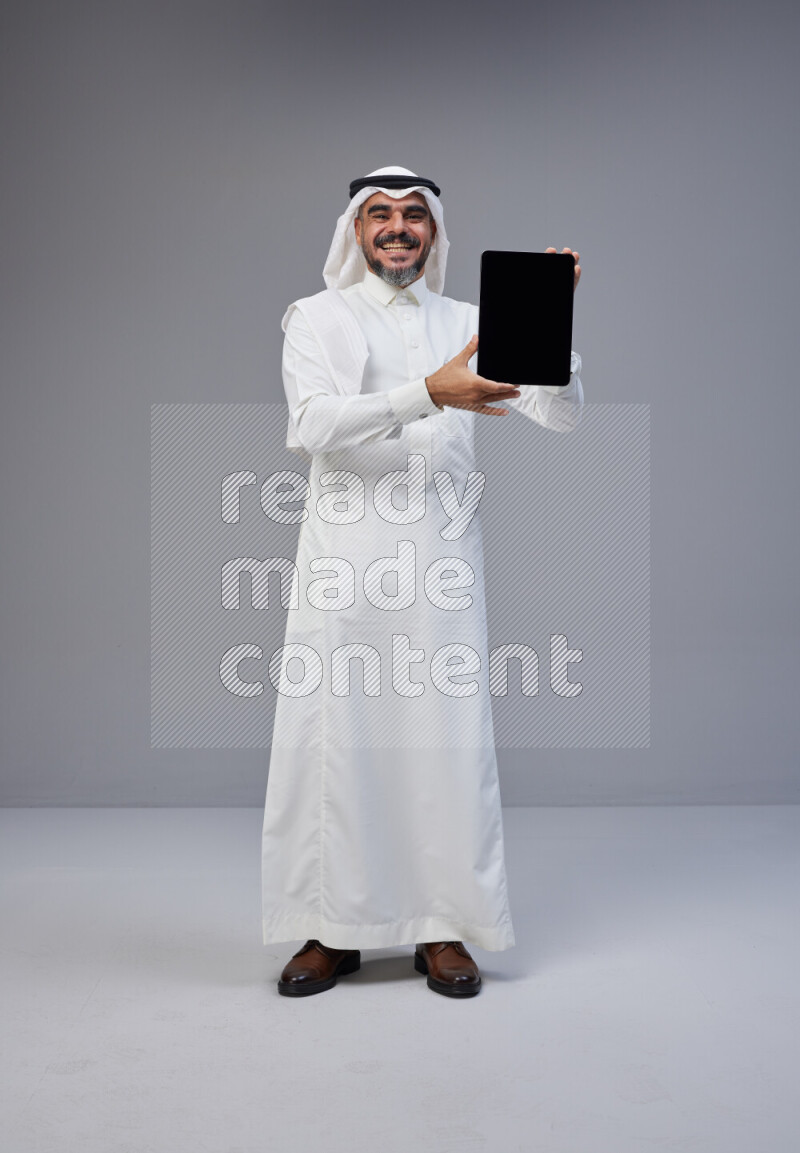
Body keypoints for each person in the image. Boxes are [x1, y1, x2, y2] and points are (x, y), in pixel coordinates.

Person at [261, 166, 583, 998]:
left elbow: (560, 414)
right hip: (344, 569)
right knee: (337, 747)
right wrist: (427, 393)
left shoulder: (471, 322)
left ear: (435, 232)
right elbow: (311, 423)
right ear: (356, 230)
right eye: (380, 214)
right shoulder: (317, 316)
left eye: (413, 214)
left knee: (444, 745)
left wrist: (550, 327)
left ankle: (444, 927)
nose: (397, 226)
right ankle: (330, 930)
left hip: (441, 571)